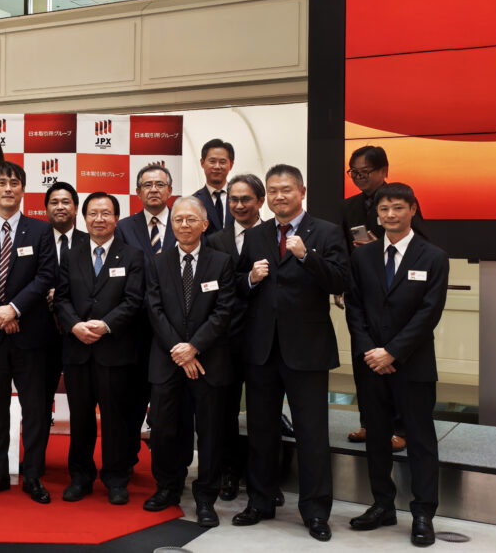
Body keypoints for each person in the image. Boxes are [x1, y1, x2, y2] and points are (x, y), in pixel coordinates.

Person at [231, 164, 348, 542]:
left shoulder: (326, 232)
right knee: (261, 431)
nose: (279, 196)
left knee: (312, 434)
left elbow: (340, 281)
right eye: (273, 191)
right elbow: (237, 286)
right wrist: (251, 279)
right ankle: (260, 501)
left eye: (286, 190)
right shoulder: (257, 234)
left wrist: (307, 256)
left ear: (302, 192)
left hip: (307, 350)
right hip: (262, 349)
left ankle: (315, 512)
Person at [345, 183, 448, 547]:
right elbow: (354, 307)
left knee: (420, 440)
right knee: (376, 437)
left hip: (413, 365)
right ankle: (382, 505)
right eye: (384, 208)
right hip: (370, 365)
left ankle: (423, 513)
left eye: (398, 207)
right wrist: (371, 351)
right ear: (377, 214)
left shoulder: (433, 257)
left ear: (413, 210)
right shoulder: (363, 256)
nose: (390, 214)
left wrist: (392, 352)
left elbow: (429, 313)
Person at [0, 161, 57, 504]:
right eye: (1, 183)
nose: (8, 188)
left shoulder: (40, 230)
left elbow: (46, 276)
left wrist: (14, 309)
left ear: (23, 190)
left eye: (14, 183)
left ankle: (32, 476)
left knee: (34, 408)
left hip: (31, 333)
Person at [145, 197, 235, 527]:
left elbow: (223, 310)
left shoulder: (221, 262)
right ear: (172, 225)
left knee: (209, 432)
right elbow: (154, 309)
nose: (184, 225)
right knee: (164, 429)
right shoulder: (158, 262)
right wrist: (179, 350)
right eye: (178, 219)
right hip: (167, 360)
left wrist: (194, 347)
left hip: (208, 361)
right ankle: (167, 487)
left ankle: (206, 498)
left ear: (205, 224)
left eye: (191, 219)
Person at [54, 192, 145, 505]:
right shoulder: (71, 255)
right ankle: (80, 477)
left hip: (115, 351)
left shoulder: (132, 255)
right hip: (77, 350)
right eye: (93, 213)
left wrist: (105, 325)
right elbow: (61, 298)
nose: (99, 219)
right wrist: (75, 326)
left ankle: (116, 479)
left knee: (115, 419)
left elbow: (134, 300)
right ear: (84, 217)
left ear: (116, 219)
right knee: (80, 418)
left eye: (106, 213)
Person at [114, 163, 194, 500]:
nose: (154, 189)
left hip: (176, 336)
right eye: (147, 184)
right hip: (134, 333)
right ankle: (126, 463)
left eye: (160, 184)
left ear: (170, 190)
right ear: (138, 192)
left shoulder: (185, 221)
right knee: (130, 404)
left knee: (176, 410)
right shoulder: (124, 227)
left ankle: (179, 469)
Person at [342, 145, 422, 451]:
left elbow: (422, 243)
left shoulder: (400, 200)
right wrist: (343, 286)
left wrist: (383, 245)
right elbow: (343, 249)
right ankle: (369, 423)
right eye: (354, 173)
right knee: (363, 360)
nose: (359, 177)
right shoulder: (348, 206)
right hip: (362, 294)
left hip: (396, 295)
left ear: (383, 171)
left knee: (394, 361)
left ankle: (399, 427)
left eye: (366, 172)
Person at [205, 173, 264, 501]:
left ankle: (262, 479)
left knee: (262, 413)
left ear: (260, 201)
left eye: (246, 199)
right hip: (225, 339)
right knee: (223, 413)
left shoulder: (276, 235)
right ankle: (228, 473)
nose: (239, 205)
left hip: (264, 339)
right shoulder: (215, 240)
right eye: (234, 200)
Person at [42, 182, 88, 426]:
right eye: (54, 202)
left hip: (78, 333)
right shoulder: (36, 240)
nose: (60, 207)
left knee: (81, 404)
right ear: (46, 209)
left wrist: (61, 296)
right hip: (41, 333)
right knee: (39, 404)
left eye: (66, 202)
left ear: (76, 208)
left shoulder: (90, 242)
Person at [193, 139, 235, 237]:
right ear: (202, 163)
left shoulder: (241, 198)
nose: (217, 166)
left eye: (222, 162)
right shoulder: (194, 201)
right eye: (212, 161)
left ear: (231, 165)